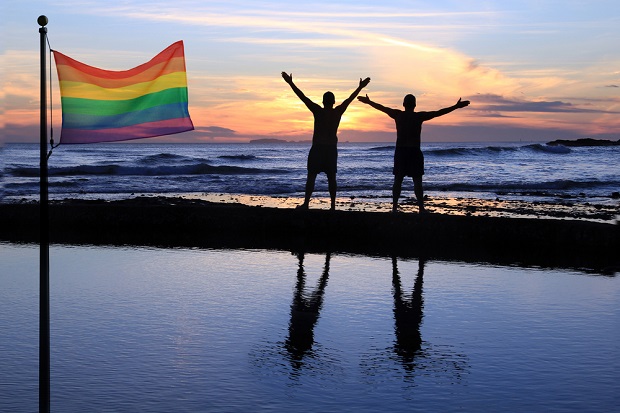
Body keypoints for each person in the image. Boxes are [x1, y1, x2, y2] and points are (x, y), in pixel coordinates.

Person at [357, 93, 470, 213]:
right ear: (415, 105)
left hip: (401, 151)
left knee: (398, 180)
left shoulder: (398, 115)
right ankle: (421, 208)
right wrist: (455, 106)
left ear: (403, 104)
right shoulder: (418, 116)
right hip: (414, 151)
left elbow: (382, 108)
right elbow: (438, 112)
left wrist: (369, 102)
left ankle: (395, 208)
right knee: (417, 180)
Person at [282, 72, 371, 210]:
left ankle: (306, 204)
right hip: (330, 149)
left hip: (318, 148)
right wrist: (360, 87)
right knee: (331, 178)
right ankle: (333, 206)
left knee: (311, 176)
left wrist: (290, 83)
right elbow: (349, 99)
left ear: (323, 101)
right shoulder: (337, 112)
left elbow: (303, 97)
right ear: (333, 102)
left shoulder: (318, 111)